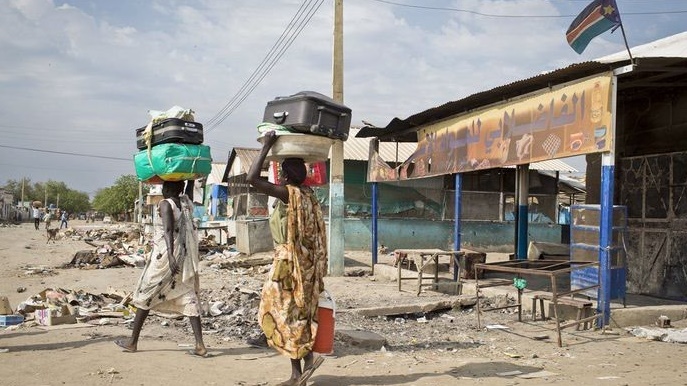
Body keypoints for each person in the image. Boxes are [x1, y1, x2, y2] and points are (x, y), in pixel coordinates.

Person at [246, 131, 328, 386]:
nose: (280, 174)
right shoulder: (309, 196)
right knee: (300, 311)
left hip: (287, 262)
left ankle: (296, 374)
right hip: (306, 262)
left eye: (283, 170)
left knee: (281, 312)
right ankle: (307, 361)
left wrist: (266, 147)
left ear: (288, 175)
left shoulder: (288, 194)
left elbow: (251, 179)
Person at [114, 180, 207, 357]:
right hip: (184, 256)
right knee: (188, 295)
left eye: (167, 187)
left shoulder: (165, 204)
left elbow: (168, 230)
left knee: (146, 293)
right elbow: (188, 193)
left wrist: (170, 256)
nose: (163, 190)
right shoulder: (185, 203)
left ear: (175, 189)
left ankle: (132, 342)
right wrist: (191, 178)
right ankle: (200, 345)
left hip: (165, 256)